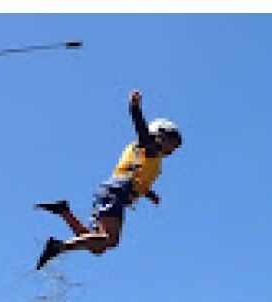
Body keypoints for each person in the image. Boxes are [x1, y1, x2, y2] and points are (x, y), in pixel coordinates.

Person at [35, 89, 182, 270]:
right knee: (110, 239)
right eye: (171, 144)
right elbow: (141, 130)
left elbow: (139, 177)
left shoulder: (150, 156)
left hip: (113, 190)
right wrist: (135, 108)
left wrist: (149, 194)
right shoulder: (150, 148)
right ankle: (57, 247)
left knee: (98, 247)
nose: (172, 150)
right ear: (159, 136)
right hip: (118, 192)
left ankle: (64, 211)